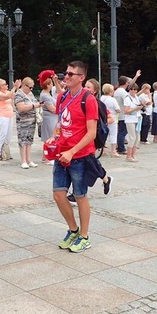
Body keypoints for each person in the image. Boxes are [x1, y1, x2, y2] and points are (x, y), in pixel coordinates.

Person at [48, 60, 98, 253]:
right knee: (59, 195)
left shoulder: (88, 99)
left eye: (70, 74)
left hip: (80, 156)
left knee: (80, 196)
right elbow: (61, 123)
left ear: (81, 77)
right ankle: (73, 230)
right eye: (66, 73)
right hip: (61, 154)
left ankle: (85, 236)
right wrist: (54, 138)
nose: (66, 77)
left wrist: (72, 151)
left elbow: (91, 133)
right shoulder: (62, 97)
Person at [14, 77, 43, 169]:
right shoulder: (18, 94)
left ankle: (29, 160)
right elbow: (21, 108)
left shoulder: (30, 94)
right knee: (23, 140)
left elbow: (34, 103)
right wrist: (34, 105)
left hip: (32, 120)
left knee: (29, 140)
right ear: (23, 85)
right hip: (23, 121)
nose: (31, 89)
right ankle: (23, 161)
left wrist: (38, 104)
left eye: (32, 87)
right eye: (29, 87)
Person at [114, 70, 141, 154]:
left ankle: (119, 146)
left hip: (120, 114)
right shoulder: (123, 93)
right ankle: (121, 148)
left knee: (121, 132)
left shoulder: (117, 90)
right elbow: (129, 98)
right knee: (123, 132)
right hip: (124, 114)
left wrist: (136, 77)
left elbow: (130, 85)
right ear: (126, 83)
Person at [0, 78, 20, 161]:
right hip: (2, 116)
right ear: (0, 86)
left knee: (8, 134)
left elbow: (15, 95)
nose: (7, 85)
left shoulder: (7, 92)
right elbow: (7, 96)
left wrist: (17, 88)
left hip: (9, 115)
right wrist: (14, 87)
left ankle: (6, 152)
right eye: (5, 84)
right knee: (3, 133)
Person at [39, 72, 60, 164]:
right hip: (49, 118)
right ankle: (48, 158)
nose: (52, 85)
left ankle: (45, 157)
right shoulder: (44, 95)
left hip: (52, 117)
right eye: (51, 84)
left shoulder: (47, 94)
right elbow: (51, 108)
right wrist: (61, 111)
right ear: (47, 85)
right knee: (49, 137)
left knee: (49, 136)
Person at [123, 82, 143, 163]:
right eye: (131, 89)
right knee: (132, 137)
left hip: (137, 118)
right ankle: (128, 156)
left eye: (135, 89)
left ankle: (133, 154)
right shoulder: (127, 98)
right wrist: (136, 108)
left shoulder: (136, 97)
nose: (133, 91)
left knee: (137, 137)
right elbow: (126, 111)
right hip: (130, 119)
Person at [100, 83, 121, 157]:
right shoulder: (112, 100)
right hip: (113, 118)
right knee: (113, 135)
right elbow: (118, 109)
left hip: (103, 119)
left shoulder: (101, 98)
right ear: (111, 91)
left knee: (104, 134)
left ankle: (103, 150)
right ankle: (113, 151)